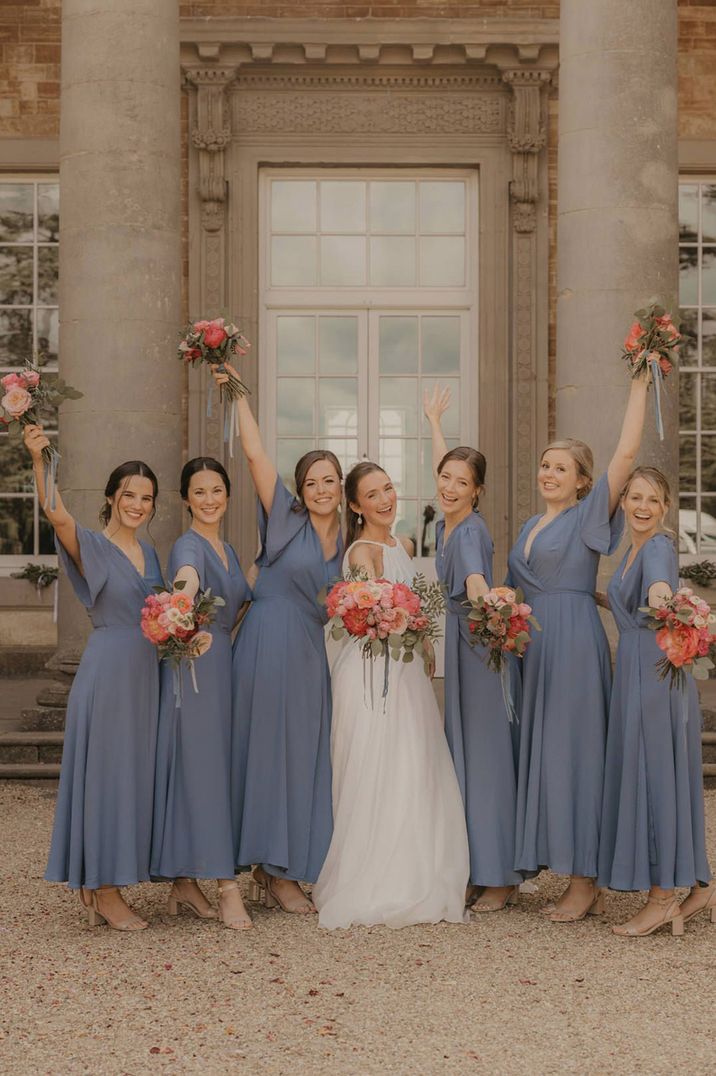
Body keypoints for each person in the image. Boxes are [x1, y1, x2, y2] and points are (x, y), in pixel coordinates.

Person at [507, 372, 649, 922]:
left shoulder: (590, 515)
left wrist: (637, 383)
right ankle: (561, 864)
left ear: (584, 482)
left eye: (560, 467)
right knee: (548, 754)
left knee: (579, 754)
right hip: (535, 644)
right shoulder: (530, 524)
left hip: (572, 644)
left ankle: (586, 880)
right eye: (545, 464)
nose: (548, 473)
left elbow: (628, 451)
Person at [312, 461, 470, 929]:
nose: (385, 499)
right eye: (373, 494)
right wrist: (401, 623)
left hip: (406, 672)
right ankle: (375, 874)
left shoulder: (402, 544)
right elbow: (364, 614)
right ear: (356, 506)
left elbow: (410, 603)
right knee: (375, 764)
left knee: (414, 761)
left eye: (388, 489)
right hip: (371, 671)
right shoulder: (361, 552)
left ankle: (419, 864)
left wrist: (422, 639)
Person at [212, 362, 343, 913]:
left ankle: (287, 866)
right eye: (310, 481)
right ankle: (269, 869)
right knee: (264, 752)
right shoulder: (284, 517)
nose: (318, 489)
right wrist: (239, 393)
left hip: (311, 653)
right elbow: (255, 454)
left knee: (304, 756)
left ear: (342, 487)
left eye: (328, 480)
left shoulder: (352, 539)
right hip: (265, 643)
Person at [24, 423, 163, 931]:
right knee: (107, 778)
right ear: (112, 497)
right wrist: (40, 460)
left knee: (132, 779)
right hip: (107, 673)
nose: (139, 504)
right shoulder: (91, 544)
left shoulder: (151, 554)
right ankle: (104, 890)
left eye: (147, 498)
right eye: (130, 495)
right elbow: (55, 513)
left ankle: (106, 880)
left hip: (145, 676)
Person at [597, 467, 714, 936]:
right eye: (635, 498)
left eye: (653, 500)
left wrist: (664, 599)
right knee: (663, 774)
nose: (643, 507)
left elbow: (659, 590)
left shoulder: (659, 547)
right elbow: (632, 605)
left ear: (665, 508)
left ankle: (663, 898)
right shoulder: (633, 548)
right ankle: (700, 886)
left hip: (654, 675)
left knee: (656, 777)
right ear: (624, 502)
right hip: (638, 669)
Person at [424, 387, 523, 913]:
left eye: (462, 483)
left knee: (485, 760)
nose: (449, 486)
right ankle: (474, 867)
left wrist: (491, 608)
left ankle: (501, 875)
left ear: (478, 491)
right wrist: (435, 421)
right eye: (445, 477)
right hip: (464, 645)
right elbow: (446, 469)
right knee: (466, 757)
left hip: (480, 645)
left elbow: (478, 583)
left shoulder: (468, 533)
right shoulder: (449, 519)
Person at [151, 458, 253, 929]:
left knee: (213, 770)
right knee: (207, 771)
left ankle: (182, 882)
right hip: (197, 668)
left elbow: (238, 603)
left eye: (217, 490)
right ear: (185, 498)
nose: (209, 499)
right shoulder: (187, 545)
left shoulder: (228, 547)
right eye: (199, 492)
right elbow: (187, 578)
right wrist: (180, 601)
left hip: (225, 665)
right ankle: (226, 884)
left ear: (227, 495)